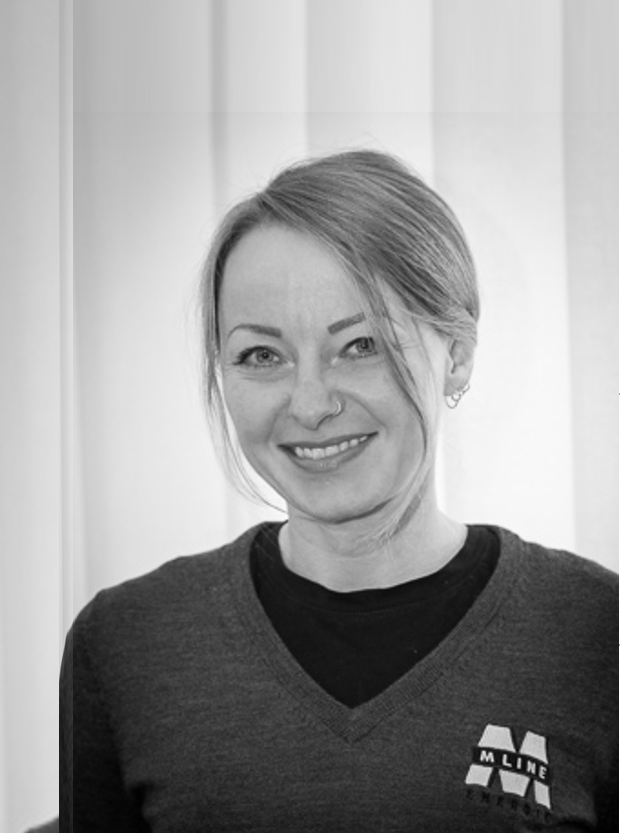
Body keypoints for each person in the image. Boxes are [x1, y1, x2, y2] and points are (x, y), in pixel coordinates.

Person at [60, 150, 617, 832]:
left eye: (361, 345)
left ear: (457, 356)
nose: (311, 403)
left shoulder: (596, 634)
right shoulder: (125, 644)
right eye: (262, 355)